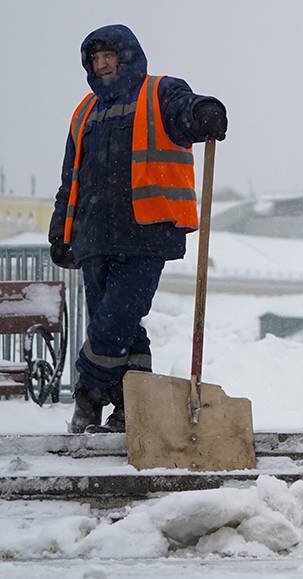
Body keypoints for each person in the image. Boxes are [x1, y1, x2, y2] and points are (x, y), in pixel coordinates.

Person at [49, 24, 228, 433]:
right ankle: (135, 407)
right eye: (95, 59)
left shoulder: (159, 92)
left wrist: (204, 112)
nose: (102, 64)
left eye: (109, 55)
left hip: (146, 233)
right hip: (93, 238)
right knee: (120, 327)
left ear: (127, 56)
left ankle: (89, 393)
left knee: (113, 322)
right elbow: (69, 180)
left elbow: (187, 109)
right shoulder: (84, 112)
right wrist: (61, 231)